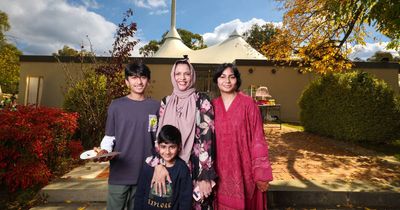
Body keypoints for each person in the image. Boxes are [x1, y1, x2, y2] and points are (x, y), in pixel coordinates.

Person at [147, 58, 217, 209]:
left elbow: (208, 139)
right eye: (178, 74)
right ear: (173, 76)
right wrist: (159, 164)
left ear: (192, 76)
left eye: (186, 74)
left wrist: (205, 176)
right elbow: (160, 137)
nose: (182, 78)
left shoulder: (201, 101)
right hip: (169, 165)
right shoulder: (166, 102)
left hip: (194, 168)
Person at [94, 63, 160, 210]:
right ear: (126, 81)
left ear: (148, 81)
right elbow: (109, 137)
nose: (139, 82)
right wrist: (104, 152)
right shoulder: (116, 105)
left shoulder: (156, 106)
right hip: (119, 173)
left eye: (143, 77)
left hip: (145, 172)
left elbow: (157, 140)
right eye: (134, 77)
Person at [212, 63, 273, 210]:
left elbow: (258, 138)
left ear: (237, 80)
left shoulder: (248, 104)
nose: (227, 81)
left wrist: (261, 173)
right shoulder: (211, 106)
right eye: (222, 77)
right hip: (219, 171)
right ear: (216, 80)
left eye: (231, 77)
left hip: (244, 170)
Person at [134, 125, 192, 210]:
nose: (167, 152)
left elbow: (185, 201)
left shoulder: (182, 169)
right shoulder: (149, 165)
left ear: (179, 147)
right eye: (163, 147)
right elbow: (140, 194)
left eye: (172, 147)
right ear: (158, 146)